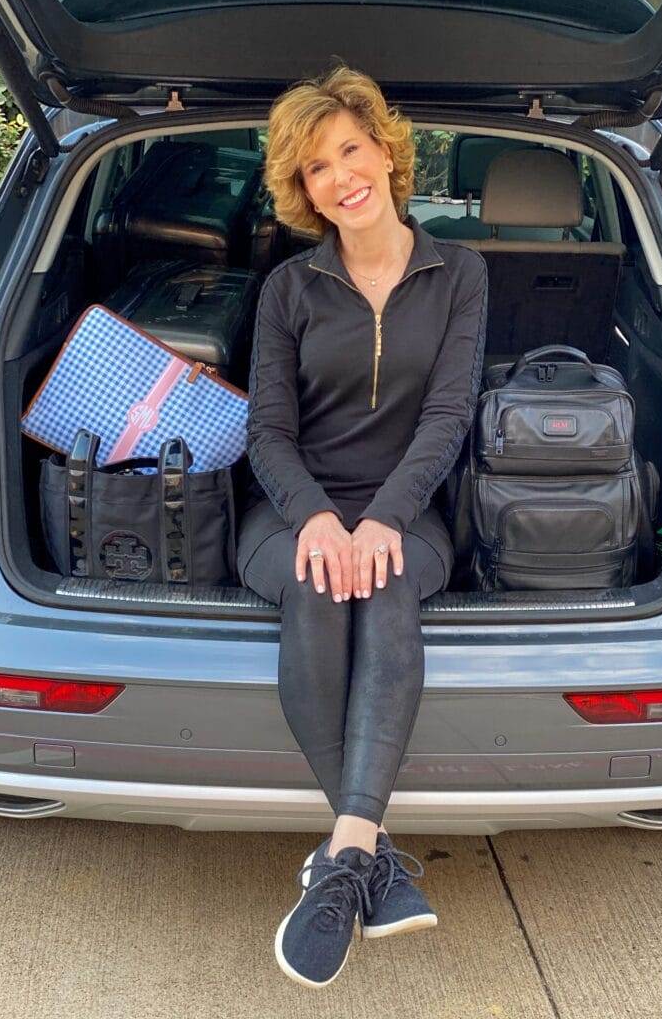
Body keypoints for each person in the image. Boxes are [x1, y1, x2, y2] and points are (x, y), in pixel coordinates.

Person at [236, 63, 488, 989]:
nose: (340, 176)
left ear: (385, 150)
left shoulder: (460, 273)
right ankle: (367, 850)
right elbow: (266, 431)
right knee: (321, 576)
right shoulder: (289, 289)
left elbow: (449, 416)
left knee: (381, 585)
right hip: (290, 510)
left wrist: (383, 517)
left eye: (350, 149)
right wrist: (314, 518)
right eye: (314, 168)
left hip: (408, 510)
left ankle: (341, 855)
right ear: (301, 192)